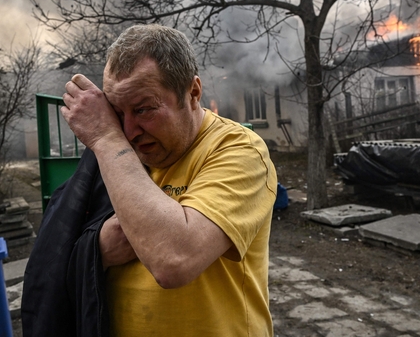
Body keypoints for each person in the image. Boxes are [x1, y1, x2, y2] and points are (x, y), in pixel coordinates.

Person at [60, 24, 278, 336]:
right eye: (116, 112)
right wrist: (97, 249)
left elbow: (174, 260)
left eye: (143, 109)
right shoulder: (117, 153)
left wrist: (107, 138)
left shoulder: (239, 150)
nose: (129, 130)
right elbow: (57, 252)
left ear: (193, 92)